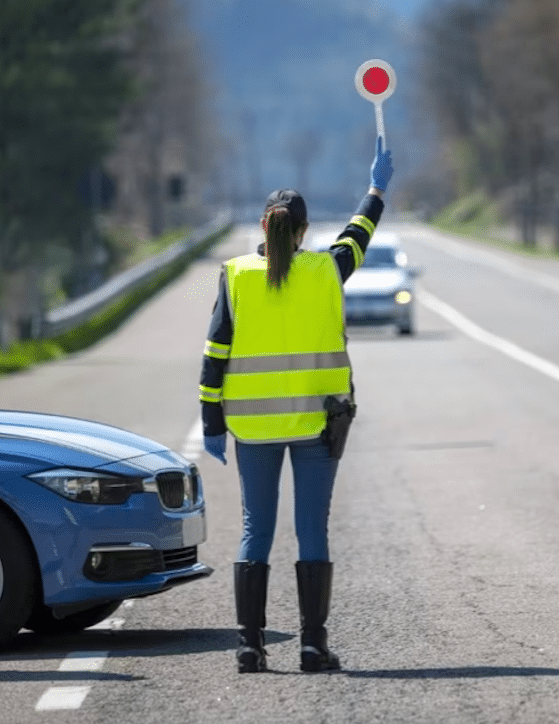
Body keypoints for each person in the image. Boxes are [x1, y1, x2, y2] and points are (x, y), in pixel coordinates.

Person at [198, 137, 394, 673]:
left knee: (253, 530)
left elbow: (215, 355)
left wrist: (212, 422)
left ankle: (249, 647)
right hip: (314, 424)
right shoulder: (327, 270)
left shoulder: (236, 276)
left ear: (264, 227)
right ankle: (312, 645)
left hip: (252, 430)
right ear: (303, 231)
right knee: (312, 529)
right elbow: (360, 233)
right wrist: (375, 188)